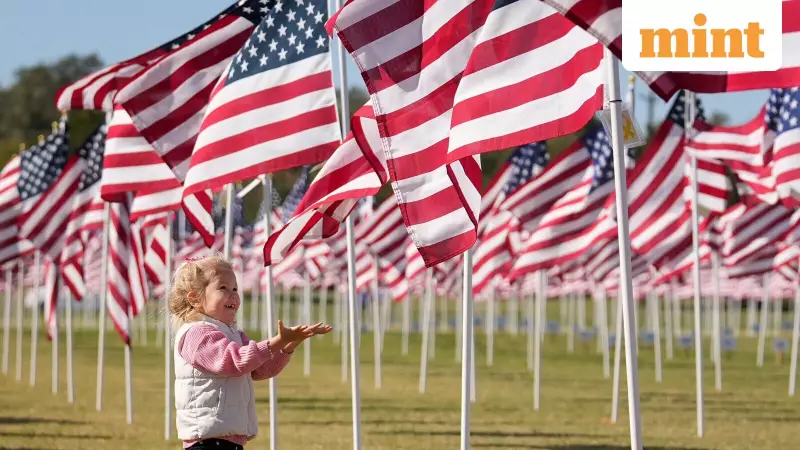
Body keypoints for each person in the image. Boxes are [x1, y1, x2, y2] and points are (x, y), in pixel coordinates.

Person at [168, 254, 331, 449]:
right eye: (223, 288)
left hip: (228, 438)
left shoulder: (234, 334)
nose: (234, 294)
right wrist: (276, 342)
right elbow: (234, 361)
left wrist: (287, 346)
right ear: (195, 299)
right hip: (207, 440)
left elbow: (260, 369)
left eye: (235, 288)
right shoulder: (196, 334)